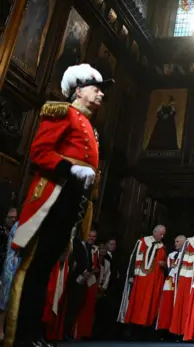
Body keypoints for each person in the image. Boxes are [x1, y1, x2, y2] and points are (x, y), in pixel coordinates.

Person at [5, 63, 112, 347]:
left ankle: (35, 332)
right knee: (35, 266)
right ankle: (20, 334)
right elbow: (39, 152)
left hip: (71, 202)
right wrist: (70, 169)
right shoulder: (62, 113)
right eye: (96, 88)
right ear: (78, 90)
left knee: (49, 266)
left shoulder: (89, 124)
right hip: (53, 197)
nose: (101, 94)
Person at [119, 225, 168, 331]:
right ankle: (130, 329)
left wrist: (164, 264)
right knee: (135, 303)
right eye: (161, 234)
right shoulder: (142, 242)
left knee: (147, 305)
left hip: (152, 281)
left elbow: (165, 264)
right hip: (139, 279)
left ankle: (142, 330)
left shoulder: (162, 247)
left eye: (164, 234)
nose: (162, 236)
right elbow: (133, 258)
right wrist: (131, 275)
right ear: (154, 232)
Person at [170, 224, 194, 336]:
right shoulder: (188, 241)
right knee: (181, 303)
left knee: (192, 305)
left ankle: (189, 332)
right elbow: (181, 258)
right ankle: (178, 331)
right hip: (185, 275)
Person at [73, 230, 101, 340]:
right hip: (78, 279)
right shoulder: (81, 246)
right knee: (76, 306)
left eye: (94, 236)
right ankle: (74, 332)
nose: (92, 238)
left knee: (85, 306)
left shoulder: (95, 249)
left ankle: (82, 332)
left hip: (90, 281)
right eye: (90, 236)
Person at [156, 235, 185, 332]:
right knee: (167, 304)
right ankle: (164, 329)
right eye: (175, 241)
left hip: (180, 281)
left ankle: (176, 330)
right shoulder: (171, 255)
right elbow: (167, 269)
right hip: (169, 281)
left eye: (178, 242)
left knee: (177, 304)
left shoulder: (187, 254)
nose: (175, 243)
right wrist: (167, 267)